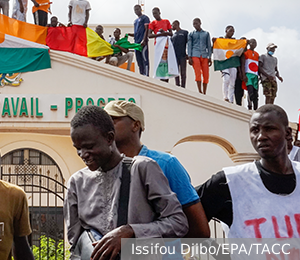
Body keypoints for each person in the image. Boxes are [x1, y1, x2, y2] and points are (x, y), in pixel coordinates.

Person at [65, 105, 188, 260]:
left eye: (89, 147)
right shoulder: (77, 183)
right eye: (78, 148)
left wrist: (130, 231)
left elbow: (178, 223)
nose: (83, 154)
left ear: (109, 138)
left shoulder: (142, 168)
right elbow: (75, 246)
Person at [104, 100, 210, 238]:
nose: (105, 127)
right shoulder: (103, 169)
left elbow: (198, 229)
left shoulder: (166, 164)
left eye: (113, 120)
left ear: (136, 125)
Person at [197, 105, 298, 238]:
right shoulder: (230, 181)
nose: (261, 136)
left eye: (269, 129)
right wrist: (221, 255)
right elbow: (185, 221)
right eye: (255, 130)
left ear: (288, 133)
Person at [147, 7, 174, 82]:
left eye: (155, 13)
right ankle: (161, 80)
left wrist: (164, 33)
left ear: (159, 12)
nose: (154, 15)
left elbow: (171, 33)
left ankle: (166, 80)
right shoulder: (153, 23)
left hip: (166, 45)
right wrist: (159, 34)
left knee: (166, 63)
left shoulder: (166, 21)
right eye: (153, 14)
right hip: (158, 45)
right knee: (160, 63)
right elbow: (149, 35)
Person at [187, 18, 212, 94]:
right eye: (194, 24)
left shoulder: (206, 33)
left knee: (206, 74)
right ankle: (199, 90)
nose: (195, 25)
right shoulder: (191, 34)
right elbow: (189, 45)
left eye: (196, 23)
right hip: (195, 54)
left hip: (204, 55)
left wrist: (210, 57)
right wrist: (189, 56)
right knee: (197, 73)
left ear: (200, 23)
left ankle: (204, 91)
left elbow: (209, 45)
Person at [216, 25, 239, 103]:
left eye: (233, 31)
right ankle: (225, 97)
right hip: (224, 63)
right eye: (230, 31)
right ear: (226, 30)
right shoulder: (221, 40)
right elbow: (215, 49)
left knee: (232, 82)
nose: (232, 32)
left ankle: (231, 99)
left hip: (232, 62)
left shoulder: (234, 41)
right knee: (226, 79)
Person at [132, 5, 150, 76]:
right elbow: (136, 32)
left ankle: (146, 75)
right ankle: (141, 74)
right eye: (135, 10)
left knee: (144, 59)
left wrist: (144, 39)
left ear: (141, 9)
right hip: (136, 44)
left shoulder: (145, 18)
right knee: (139, 61)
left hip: (142, 43)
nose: (136, 11)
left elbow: (146, 29)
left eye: (137, 9)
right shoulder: (135, 21)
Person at [242, 38, 260, 110]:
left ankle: (256, 108)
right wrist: (244, 75)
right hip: (248, 74)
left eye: (255, 43)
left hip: (255, 75)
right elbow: (243, 64)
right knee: (250, 91)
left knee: (256, 93)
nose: (254, 44)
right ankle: (249, 105)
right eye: (252, 42)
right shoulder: (246, 52)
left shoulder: (257, 54)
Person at [171, 20, 188, 88]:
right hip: (175, 56)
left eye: (173, 25)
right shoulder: (173, 35)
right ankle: (177, 85)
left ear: (177, 24)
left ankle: (183, 86)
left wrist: (188, 53)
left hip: (183, 55)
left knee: (183, 72)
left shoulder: (184, 32)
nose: (172, 27)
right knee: (176, 71)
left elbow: (188, 43)